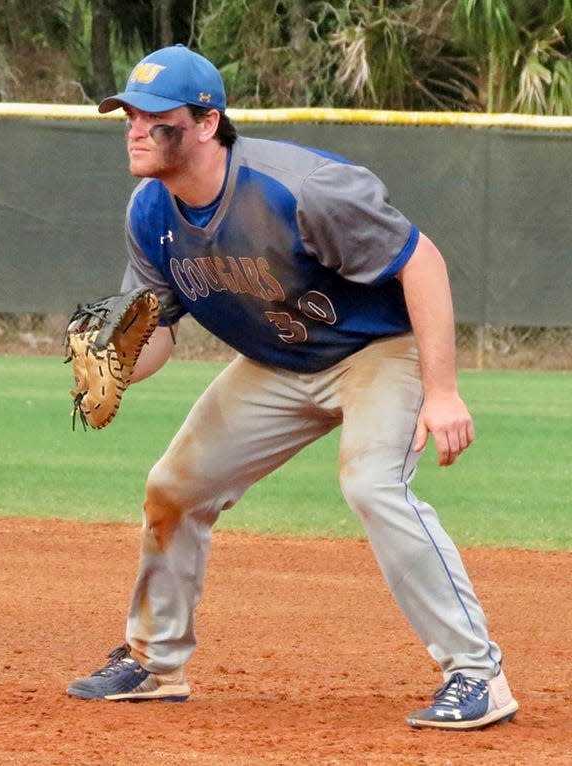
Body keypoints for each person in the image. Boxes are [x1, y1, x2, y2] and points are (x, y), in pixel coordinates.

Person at [67, 44, 518, 730]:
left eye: (155, 116)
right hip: (277, 362)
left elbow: (421, 261)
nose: (134, 126)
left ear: (207, 123)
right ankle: (155, 663)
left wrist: (443, 389)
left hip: (376, 351)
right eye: (129, 112)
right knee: (174, 488)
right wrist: (115, 362)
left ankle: (478, 674)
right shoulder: (150, 213)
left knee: (372, 484)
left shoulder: (299, 190)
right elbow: (157, 328)